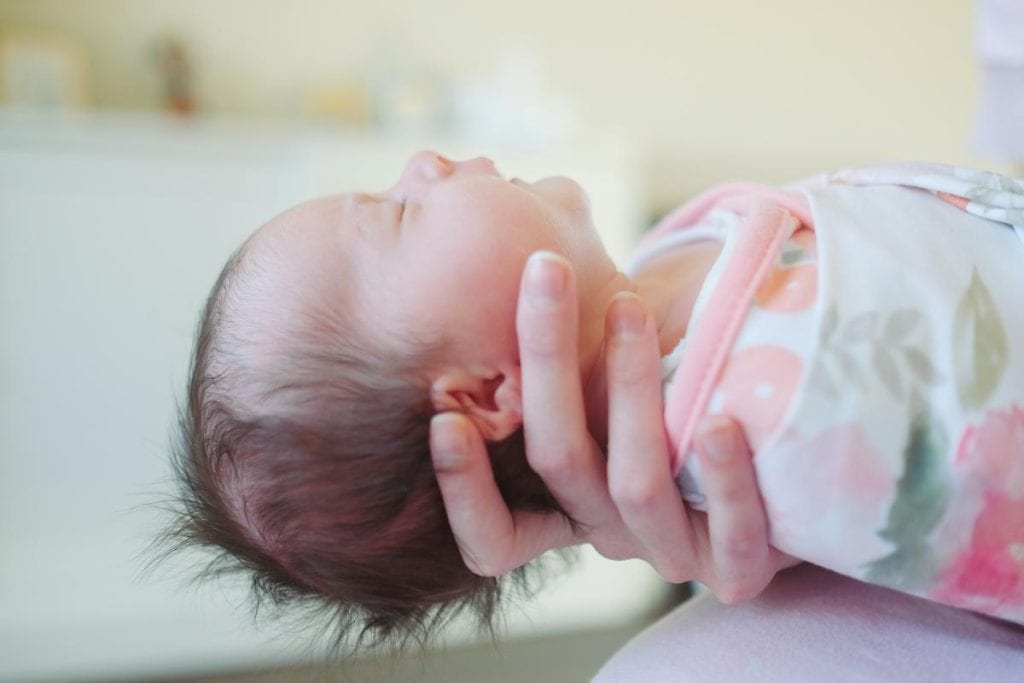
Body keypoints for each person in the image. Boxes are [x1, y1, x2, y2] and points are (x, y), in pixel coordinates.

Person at [169, 152, 1023, 651]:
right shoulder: (763, 427)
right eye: (395, 215)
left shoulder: (665, 260)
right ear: (486, 393)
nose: (419, 167)